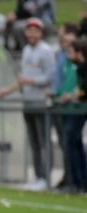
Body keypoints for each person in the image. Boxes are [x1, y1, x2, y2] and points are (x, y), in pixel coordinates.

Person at [0, 18, 56, 191]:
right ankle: (38, 176)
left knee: (44, 141)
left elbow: (49, 78)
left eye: (35, 30)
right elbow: (23, 79)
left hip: (41, 102)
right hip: (28, 101)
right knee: (34, 142)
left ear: (41, 33)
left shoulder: (46, 51)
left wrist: (31, 80)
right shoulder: (26, 51)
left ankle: (46, 178)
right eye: (29, 30)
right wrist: (8, 90)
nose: (32, 34)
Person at [52, 24, 79, 190]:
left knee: (72, 142)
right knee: (66, 143)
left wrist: (72, 95)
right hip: (61, 104)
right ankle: (69, 177)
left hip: (74, 107)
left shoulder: (75, 60)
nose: (61, 37)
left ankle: (77, 180)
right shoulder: (62, 56)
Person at [61, 40, 87, 193]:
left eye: (72, 52)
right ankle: (79, 182)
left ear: (79, 52)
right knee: (74, 143)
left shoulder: (84, 67)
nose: (69, 55)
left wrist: (73, 96)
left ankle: (80, 181)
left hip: (81, 110)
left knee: (73, 142)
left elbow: (83, 90)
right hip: (78, 108)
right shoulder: (79, 69)